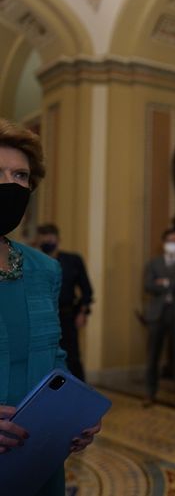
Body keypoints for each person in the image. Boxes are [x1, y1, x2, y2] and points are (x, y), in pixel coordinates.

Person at [0, 118, 101, 495]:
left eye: (21, 176)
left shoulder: (45, 269)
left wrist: (75, 414)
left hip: (37, 460)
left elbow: (55, 358)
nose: (10, 185)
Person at [34, 223, 94, 381]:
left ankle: (81, 396)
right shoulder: (34, 261)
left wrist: (83, 312)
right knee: (44, 359)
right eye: (43, 239)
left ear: (58, 239)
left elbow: (87, 290)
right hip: (42, 318)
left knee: (72, 358)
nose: (47, 242)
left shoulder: (73, 260)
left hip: (67, 316)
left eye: (50, 238)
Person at [143, 228, 175, 406]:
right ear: (164, 243)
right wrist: (174, 282)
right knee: (153, 355)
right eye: (170, 240)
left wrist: (164, 282)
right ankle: (150, 391)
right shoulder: (153, 263)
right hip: (157, 313)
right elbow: (148, 285)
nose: (173, 244)